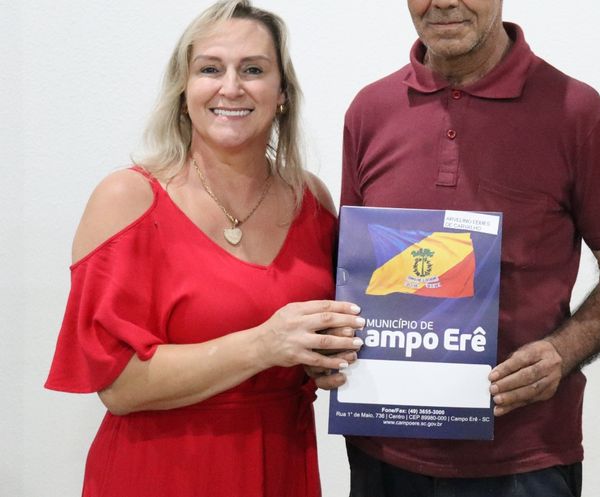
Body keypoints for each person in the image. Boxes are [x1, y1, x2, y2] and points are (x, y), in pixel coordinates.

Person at [309, 1, 600, 495]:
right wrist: (327, 343)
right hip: (382, 450)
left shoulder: (575, 111)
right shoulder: (370, 110)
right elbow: (355, 271)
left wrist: (563, 352)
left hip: (523, 460)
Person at [44, 2, 363, 496]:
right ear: (183, 91)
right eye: (210, 69)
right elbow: (118, 387)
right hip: (161, 474)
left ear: (282, 94)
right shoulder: (128, 199)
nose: (230, 87)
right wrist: (264, 345)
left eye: (253, 70)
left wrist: (322, 356)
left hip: (282, 465)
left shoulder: (312, 199)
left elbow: (323, 335)